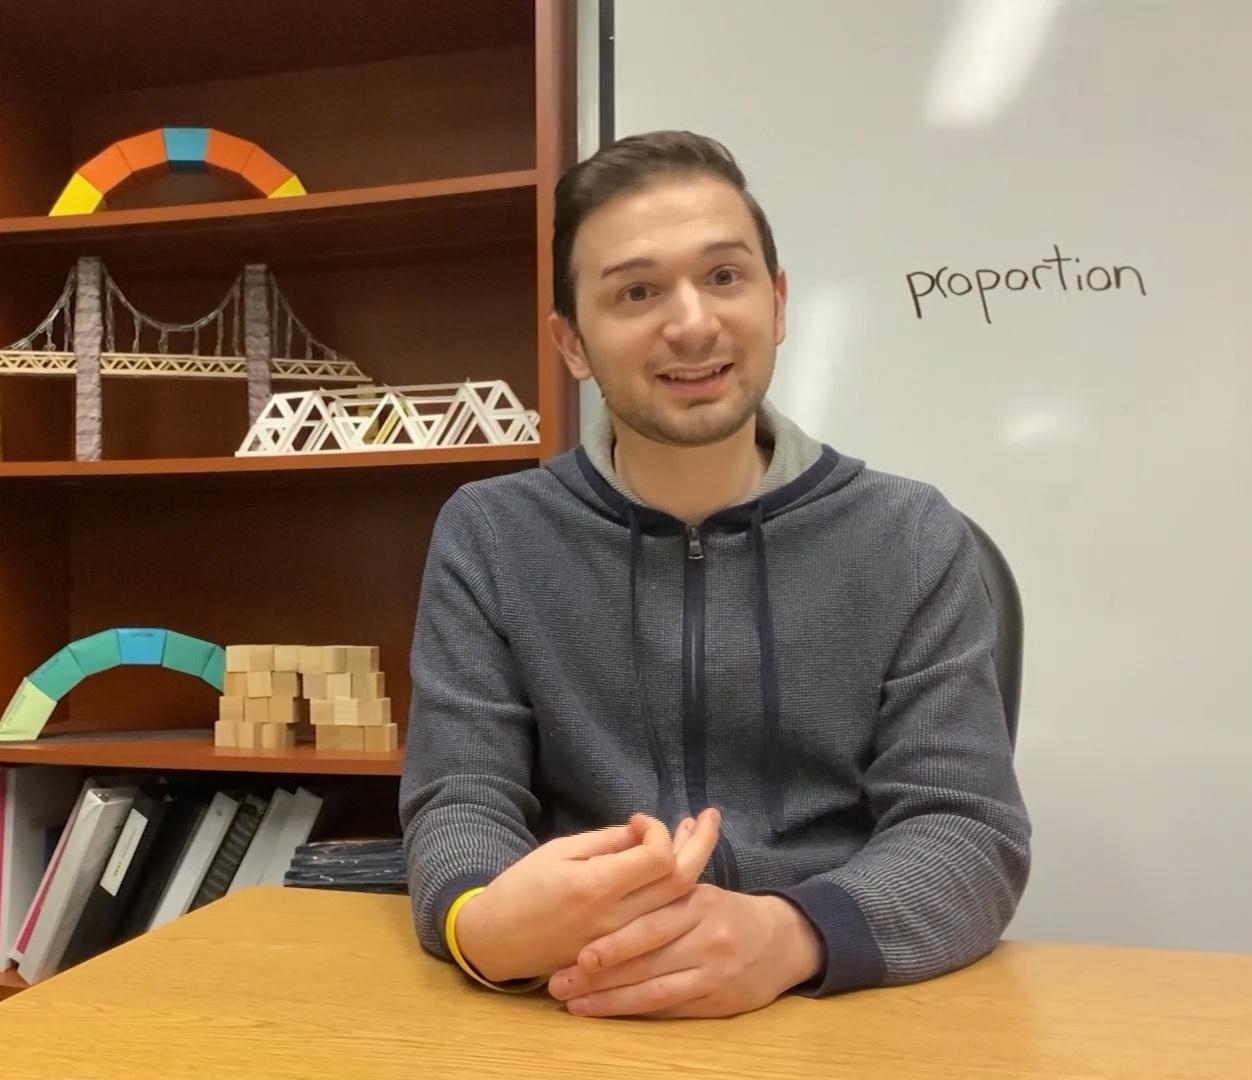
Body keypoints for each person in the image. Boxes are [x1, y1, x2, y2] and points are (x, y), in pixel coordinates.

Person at [398, 129, 1032, 1019]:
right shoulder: (492, 535)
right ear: (572, 342)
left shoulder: (909, 534)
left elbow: (966, 830)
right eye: (637, 291)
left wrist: (790, 936)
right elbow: (459, 796)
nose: (692, 322)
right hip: (569, 1002)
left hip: (832, 1010)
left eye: (724, 277)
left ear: (777, 304)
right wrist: (479, 927)